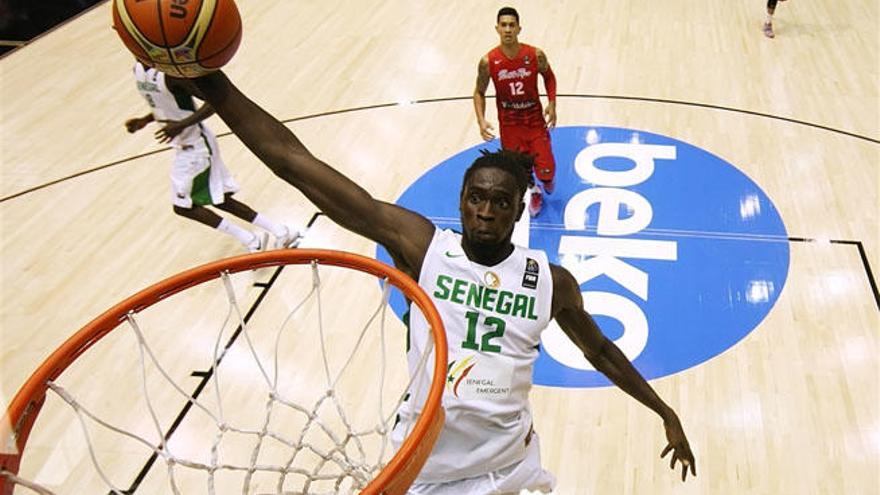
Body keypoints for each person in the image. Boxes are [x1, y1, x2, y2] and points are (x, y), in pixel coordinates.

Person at [192, 70, 696, 494]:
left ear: (520, 209)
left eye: (501, 202)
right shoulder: (424, 248)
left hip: (509, 468)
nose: (486, 212)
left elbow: (601, 351)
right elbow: (295, 164)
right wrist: (216, 89)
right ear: (461, 199)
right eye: (477, 197)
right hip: (425, 463)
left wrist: (663, 410)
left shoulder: (550, 281)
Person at [125, 62, 300, 252]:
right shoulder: (138, 71)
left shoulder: (170, 75)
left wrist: (181, 125)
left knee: (183, 206)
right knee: (221, 199)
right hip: (186, 145)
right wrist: (145, 120)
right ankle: (281, 231)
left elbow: (214, 102)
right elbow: (166, 104)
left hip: (197, 146)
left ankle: (250, 239)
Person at [473, 6, 557, 218]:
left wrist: (552, 103)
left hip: (534, 121)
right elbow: (479, 92)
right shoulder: (488, 62)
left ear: (519, 28)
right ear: (497, 28)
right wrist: (481, 121)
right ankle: (534, 192)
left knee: (547, 172)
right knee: (519, 170)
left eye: (512, 25)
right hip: (510, 126)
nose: (508, 29)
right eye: (504, 25)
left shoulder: (534, 55)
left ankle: (545, 180)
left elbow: (549, 77)